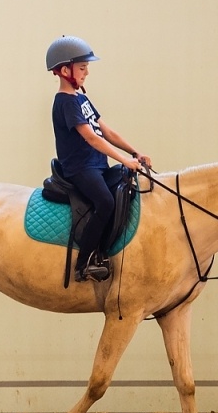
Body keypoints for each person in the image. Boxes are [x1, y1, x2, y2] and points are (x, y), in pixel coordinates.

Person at [46, 35, 152, 283]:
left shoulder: (82, 99)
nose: (87, 73)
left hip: (97, 165)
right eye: (82, 68)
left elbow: (106, 132)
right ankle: (84, 263)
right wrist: (125, 160)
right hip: (80, 168)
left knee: (127, 185)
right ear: (65, 70)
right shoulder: (65, 102)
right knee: (105, 202)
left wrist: (135, 152)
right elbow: (91, 139)